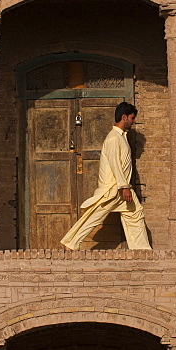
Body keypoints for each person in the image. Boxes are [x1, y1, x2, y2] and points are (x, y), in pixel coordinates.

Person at [61, 102, 152, 250]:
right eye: (132, 118)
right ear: (124, 117)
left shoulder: (122, 137)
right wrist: (124, 187)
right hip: (113, 189)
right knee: (94, 216)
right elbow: (115, 164)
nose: (134, 121)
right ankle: (70, 243)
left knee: (135, 214)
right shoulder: (113, 138)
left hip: (121, 190)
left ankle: (141, 250)